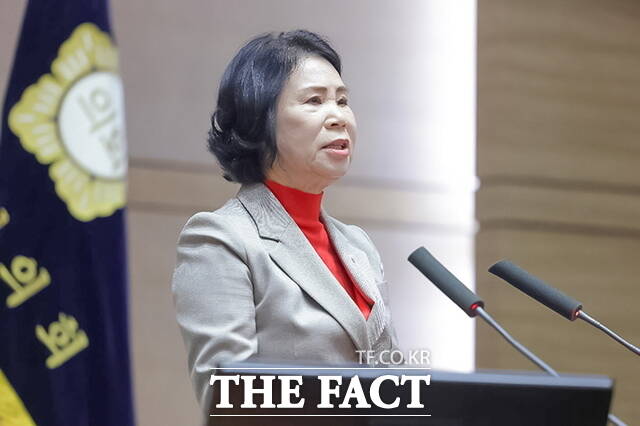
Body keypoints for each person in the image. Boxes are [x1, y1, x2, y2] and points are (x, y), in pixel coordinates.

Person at [171, 29, 399, 415]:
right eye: (315, 101)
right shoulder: (220, 239)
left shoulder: (358, 245)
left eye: (343, 101)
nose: (339, 117)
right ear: (259, 120)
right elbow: (229, 399)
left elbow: (393, 385)